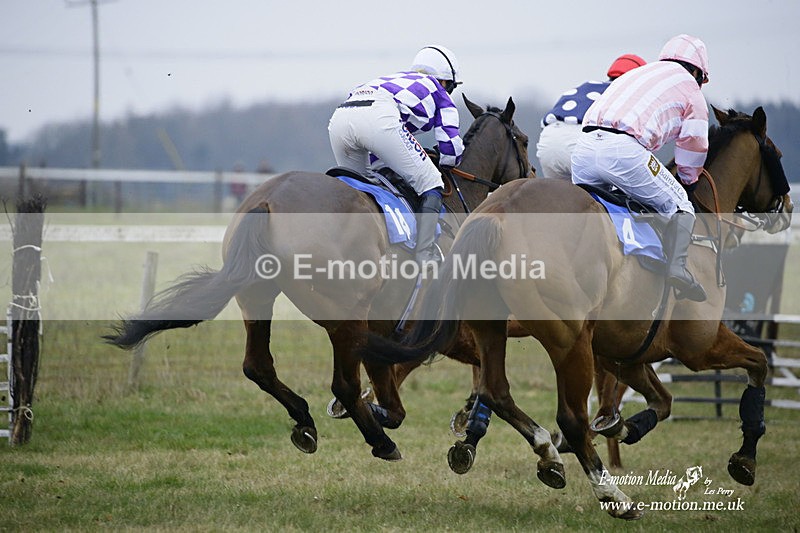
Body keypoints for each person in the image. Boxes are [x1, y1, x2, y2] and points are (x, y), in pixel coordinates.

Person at [571, 34, 711, 302]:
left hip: (584, 148)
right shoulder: (691, 89)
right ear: (697, 71)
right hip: (625, 151)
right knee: (681, 205)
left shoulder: (641, 73)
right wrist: (687, 179)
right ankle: (677, 269)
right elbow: (693, 145)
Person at [328, 45, 464, 267]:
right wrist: (441, 158)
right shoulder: (439, 92)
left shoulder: (394, 80)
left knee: (360, 191)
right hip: (378, 118)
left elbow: (383, 154)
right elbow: (451, 152)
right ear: (445, 81)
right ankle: (425, 252)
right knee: (431, 181)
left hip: (340, 119)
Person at [536, 53, 646, 180]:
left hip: (548, 142)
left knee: (555, 197)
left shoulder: (587, 86)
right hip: (579, 141)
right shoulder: (627, 95)